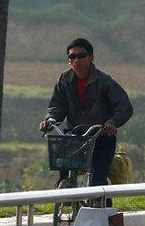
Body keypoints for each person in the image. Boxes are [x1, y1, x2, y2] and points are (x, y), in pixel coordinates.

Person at [39, 37, 134, 188]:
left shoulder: (105, 82)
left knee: (97, 184)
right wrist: (50, 120)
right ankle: (66, 195)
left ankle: (105, 209)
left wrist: (112, 122)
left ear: (91, 58)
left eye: (81, 56)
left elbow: (124, 106)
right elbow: (57, 105)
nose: (76, 60)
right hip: (74, 138)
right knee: (64, 175)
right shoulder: (65, 79)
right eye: (72, 56)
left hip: (100, 137)